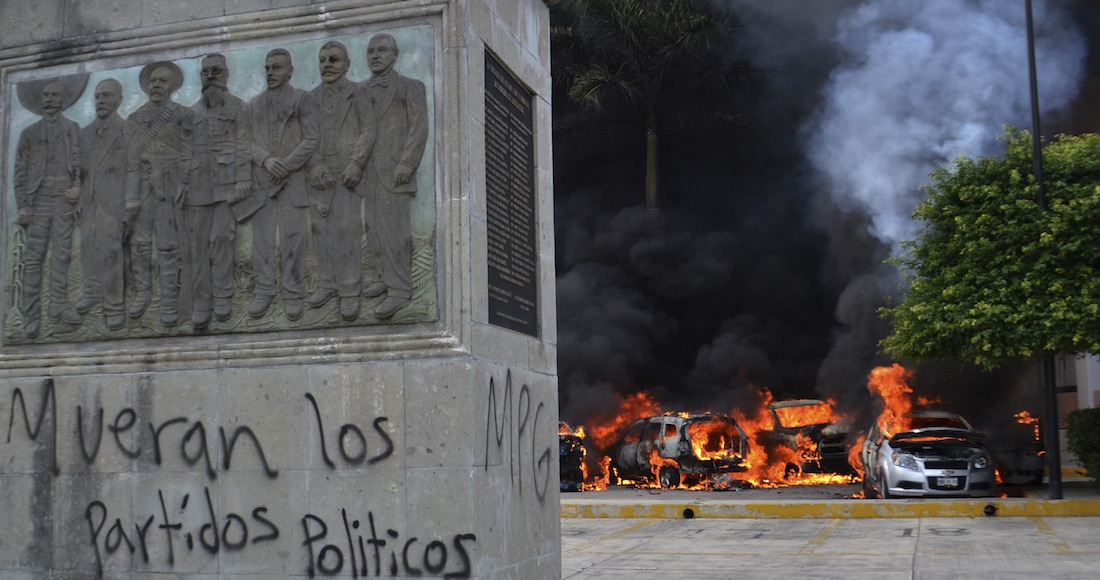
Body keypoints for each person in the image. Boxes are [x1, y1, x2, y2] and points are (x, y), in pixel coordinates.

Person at [303, 40, 375, 322]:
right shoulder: (309, 99)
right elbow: (305, 136)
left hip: (348, 175)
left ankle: (348, 292)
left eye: (333, 60)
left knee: (347, 231)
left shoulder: (358, 93)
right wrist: (313, 165)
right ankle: (327, 284)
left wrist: (357, 164)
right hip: (320, 175)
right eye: (322, 61)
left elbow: (368, 130)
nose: (327, 65)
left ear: (346, 64)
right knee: (321, 231)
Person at [246, 48, 318, 321]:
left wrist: (286, 164)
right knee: (262, 242)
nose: (270, 72)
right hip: (263, 184)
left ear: (290, 71)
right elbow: (245, 142)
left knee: (294, 240)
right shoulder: (254, 105)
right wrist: (265, 160)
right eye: (267, 68)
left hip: (293, 182)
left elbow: (311, 139)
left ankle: (292, 294)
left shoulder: (303, 99)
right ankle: (263, 291)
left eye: (276, 67)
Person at [359, 34, 429, 319]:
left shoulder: (411, 87)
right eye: (371, 51)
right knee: (374, 229)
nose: (375, 55)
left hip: (397, 173)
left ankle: (399, 290)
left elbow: (419, 127)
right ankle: (381, 277)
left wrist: (407, 163)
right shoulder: (361, 90)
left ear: (395, 54)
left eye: (382, 50)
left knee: (396, 233)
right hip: (369, 173)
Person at [13, 79, 84, 338]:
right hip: (38, 201)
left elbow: (82, 165)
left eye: (54, 95)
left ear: (64, 100)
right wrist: (22, 205)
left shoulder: (73, 129)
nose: (49, 99)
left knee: (62, 256)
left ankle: (59, 305)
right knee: (33, 261)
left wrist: (78, 186)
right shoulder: (29, 134)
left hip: (64, 200)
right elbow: (19, 173)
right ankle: (31, 317)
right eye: (45, 95)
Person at [126, 60, 195, 328]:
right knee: (140, 244)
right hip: (143, 188)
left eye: (162, 81)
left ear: (172, 86)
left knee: (168, 246)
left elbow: (190, 152)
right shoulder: (135, 119)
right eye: (153, 81)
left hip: (170, 186)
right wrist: (131, 197)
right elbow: (131, 161)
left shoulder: (183, 115)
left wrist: (184, 182)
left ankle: (169, 300)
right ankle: (143, 292)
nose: (157, 85)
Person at [188, 53, 252, 329]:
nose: (210, 75)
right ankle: (202, 303)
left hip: (227, 187)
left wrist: (242, 180)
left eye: (216, 70)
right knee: (198, 246)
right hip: (198, 189)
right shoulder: (190, 113)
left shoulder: (239, 108)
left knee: (221, 240)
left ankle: (223, 296)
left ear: (225, 74)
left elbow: (245, 145)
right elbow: (183, 153)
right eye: (205, 72)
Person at [76, 78, 136, 331]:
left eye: (106, 96)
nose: (101, 100)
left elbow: (134, 169)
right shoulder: (84, 133)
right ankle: (92, 291)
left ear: (119, 99)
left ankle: (114, 308)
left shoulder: (128, 131)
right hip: (88, 203)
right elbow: (79, 171)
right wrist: (79, 197)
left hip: (114, 203)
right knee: (88, 249)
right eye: (98, 96)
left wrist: (132, 202)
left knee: (111, 254)